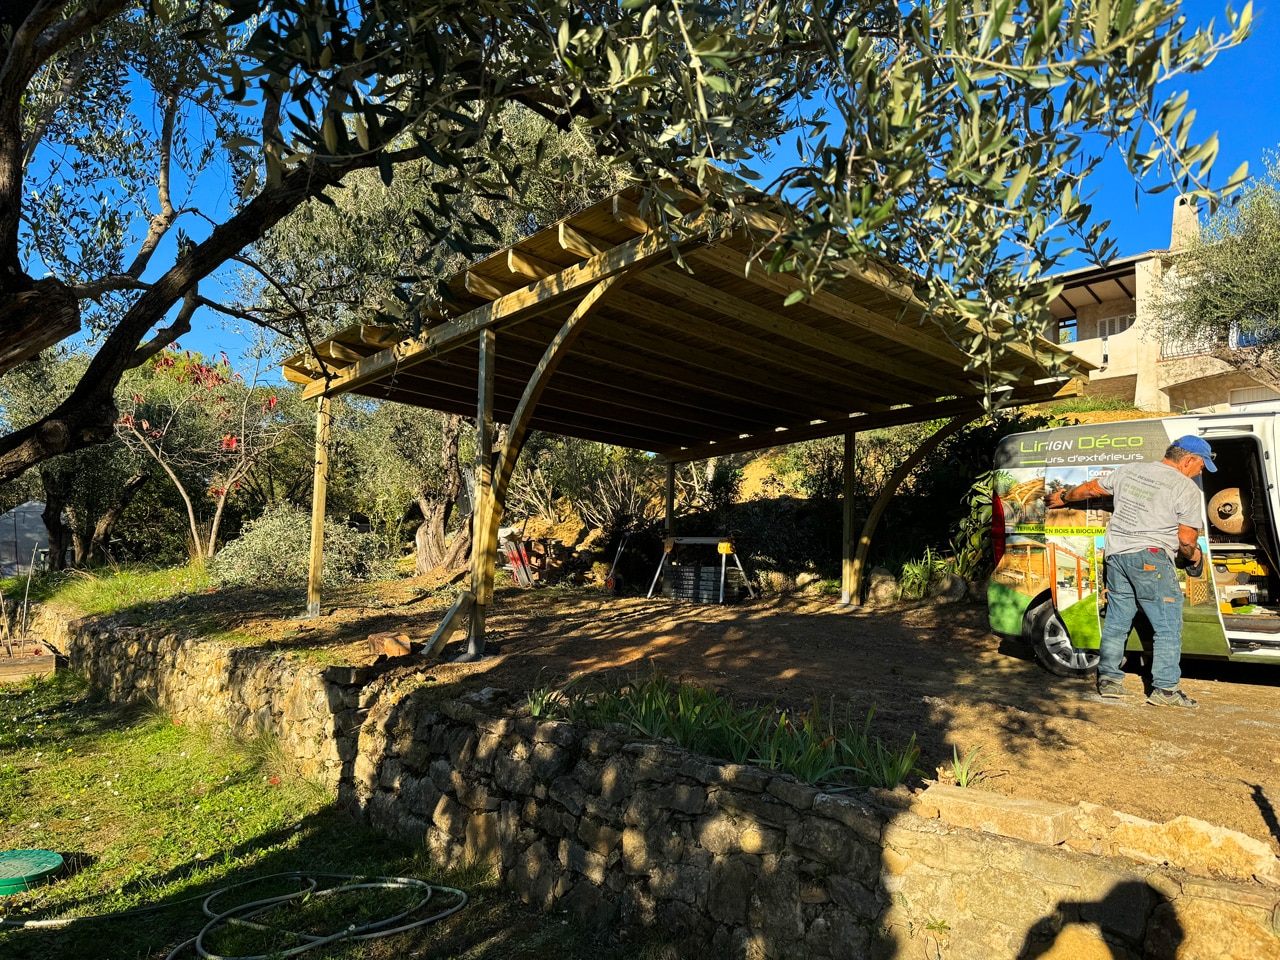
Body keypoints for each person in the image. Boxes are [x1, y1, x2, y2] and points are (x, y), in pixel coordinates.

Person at [1045, 435, 1213, 708]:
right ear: (1189, 460)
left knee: (1116, 623)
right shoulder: (1186, 488)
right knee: (1168, 627)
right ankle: (1166, 691)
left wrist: (1063, 498)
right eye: (1201, 467)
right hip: (1152, 557)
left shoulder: (1130, 470)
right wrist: (1195, 556)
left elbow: (1089, 489)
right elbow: (1185, 540)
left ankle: (1110, 681)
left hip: (1117, 556)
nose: (1199, 472)